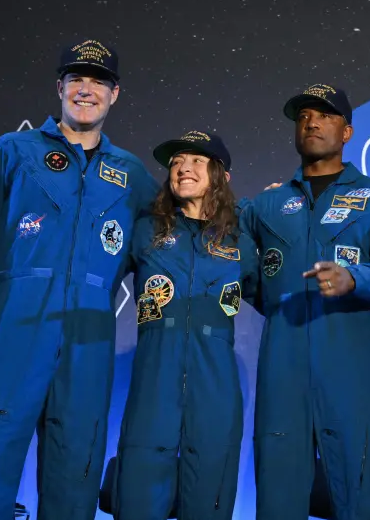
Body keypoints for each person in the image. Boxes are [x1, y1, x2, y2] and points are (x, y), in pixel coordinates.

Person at [0, 39, 159, 520]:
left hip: (89, 336)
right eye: (77, 79)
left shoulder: (132, 174)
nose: (87, 90)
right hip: (13, 328)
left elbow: (172, 238)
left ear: (115, 94)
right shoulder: (13, 150)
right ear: (59, 87)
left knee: (74, 480)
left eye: (98, 81)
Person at [239, 84, 370, 520]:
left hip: (349, 360)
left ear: (347, 131)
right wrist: (284, 306)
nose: (311, 122)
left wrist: (353, 278)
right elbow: (243, 277)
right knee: (278, 493)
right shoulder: (265, 204)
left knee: (358, 492)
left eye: (325, 115)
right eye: (303, 116)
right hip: (283, 362)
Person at [113, 130, 259, 520]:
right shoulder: (145, 230)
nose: (182, 167)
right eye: (176, 161)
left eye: (196, 160)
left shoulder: (242, 240)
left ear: (221, 175)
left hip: (216, 383)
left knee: (210, 494)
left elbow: (277, 298)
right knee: (139, 496)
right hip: (153, 381)